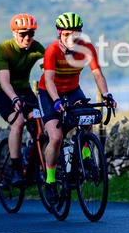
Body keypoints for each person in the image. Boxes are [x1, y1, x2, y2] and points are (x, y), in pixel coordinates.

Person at [37, 12, 116, 203]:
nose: (71, 38)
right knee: (55, 137)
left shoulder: (87, 48)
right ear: (59, 34)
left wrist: (107, 95)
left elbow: (97, 73)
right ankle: (49, 181)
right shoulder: (52, 50)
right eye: (66, 34)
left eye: (75, 34)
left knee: (87, 117)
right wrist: (56, 101)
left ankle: (87, 157)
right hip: (49, 92)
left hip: (72, 91)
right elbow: (48, 80)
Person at [0, 14, 46, 186]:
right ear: (14, 33)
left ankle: (33, 162)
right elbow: (4, 81)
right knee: (18, 122)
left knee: (40, 123)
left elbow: (49, 72)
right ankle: (15, 170)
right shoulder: (4, 49)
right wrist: (13, 99)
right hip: (1, 90)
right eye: (23, 34)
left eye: (31, 34)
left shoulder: (36, 48)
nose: (27, 38)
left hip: (24, 89)